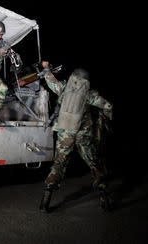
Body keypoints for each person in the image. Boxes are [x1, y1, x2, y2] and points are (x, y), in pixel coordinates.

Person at [38, 62, 113, 212]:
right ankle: (103, 194)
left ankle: (45, 201)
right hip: (83, 135)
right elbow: (108, 106)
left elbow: (52, 83)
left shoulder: (65, 87)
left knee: (59, 163)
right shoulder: (89, 93)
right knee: (93, 163)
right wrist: (107, 118)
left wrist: (46, 70)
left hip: (65, 133)